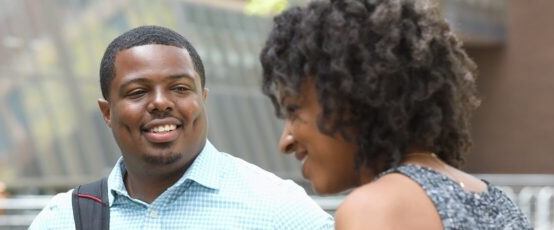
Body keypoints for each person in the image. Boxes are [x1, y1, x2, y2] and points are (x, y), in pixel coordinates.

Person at [259, 0, 532, 229]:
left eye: (294, 110)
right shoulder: (496, 201)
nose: (285, 142)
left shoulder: (377, 209)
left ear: (355, 97)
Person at [29, 25, 333, 229]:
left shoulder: (277, 208)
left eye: (180, 88)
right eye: (137, 92)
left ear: (202, 99)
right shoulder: (65, 219)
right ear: (107, 112)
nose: (161, 103)